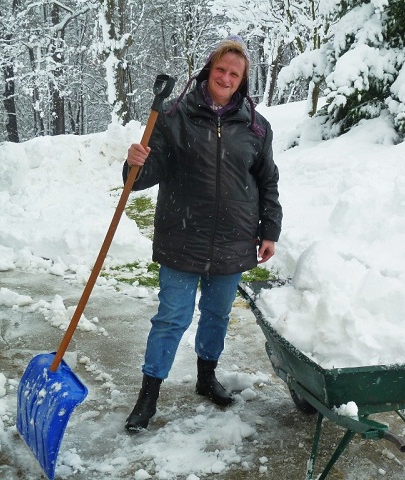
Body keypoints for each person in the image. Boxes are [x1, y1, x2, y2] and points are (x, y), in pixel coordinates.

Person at [123, 36, 282, 431]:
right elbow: (142, 178)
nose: (225, 78)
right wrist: (135, 163)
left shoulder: (256, 127)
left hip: (234, 239)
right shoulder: (174, 116)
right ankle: (148, 397)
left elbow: (268, 181)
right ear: (208, 71)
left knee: (217, 315)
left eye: (234, 74)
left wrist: (269, 230)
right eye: (220, 70)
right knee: (171, 318)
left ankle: (206, 378)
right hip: (182, 237)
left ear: (242, 80)